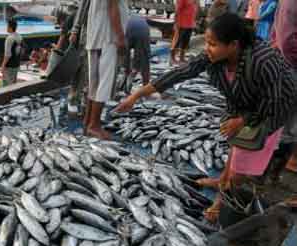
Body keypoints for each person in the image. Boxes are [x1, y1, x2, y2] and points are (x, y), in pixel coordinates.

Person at [114, 13, 297, 223]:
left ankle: (221, 201)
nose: (207, 48)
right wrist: (136, 96)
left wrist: (242, 121)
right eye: (207, 42)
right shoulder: (214, 57)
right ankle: (223, 180)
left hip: (274, 108)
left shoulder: (263, 61)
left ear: (233, 45)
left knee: (243, 165)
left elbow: (274, 101)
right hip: (244, 105)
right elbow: (179, 73)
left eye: (212, 44)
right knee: (236, 147)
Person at [82, 0, 128, 139]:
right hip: (108, 38)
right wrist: (120, 37)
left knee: (94, 83)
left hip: (96, 37)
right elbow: (113, 7)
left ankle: (88, 122)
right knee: (104, 83)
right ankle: (94, 126)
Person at [270, 0, 297, 173]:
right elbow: (287, 41)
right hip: (292, 65)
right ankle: (278, 165)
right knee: (288, 121)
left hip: (286, 62)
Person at [124, 15, 151, 87]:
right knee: (145, 60)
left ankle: (126, 82)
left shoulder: (125, 17)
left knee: (125, 57)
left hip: (129, 29)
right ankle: (146, 85)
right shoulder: (135, 18)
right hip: (144, 29)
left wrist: (127, 68)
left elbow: (126, 55)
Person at [171, 0, 198, 65]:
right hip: (181, 23)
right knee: (177, 41)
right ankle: (172, 58)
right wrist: (175, 23)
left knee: (186, 42)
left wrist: (194, 21)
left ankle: (182, 58)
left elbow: (195, 9)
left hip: (190, 24)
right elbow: (177, 10)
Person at [1, 19, 22, 86]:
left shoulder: (9, 38)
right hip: (16, 64)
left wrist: (3, 65)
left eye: (7, 26)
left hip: (9, 65)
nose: (6, 28)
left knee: (7, 85)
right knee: (13, 84)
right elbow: (22, 50)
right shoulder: (19, 36)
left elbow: (8, 54)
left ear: (10, 27)